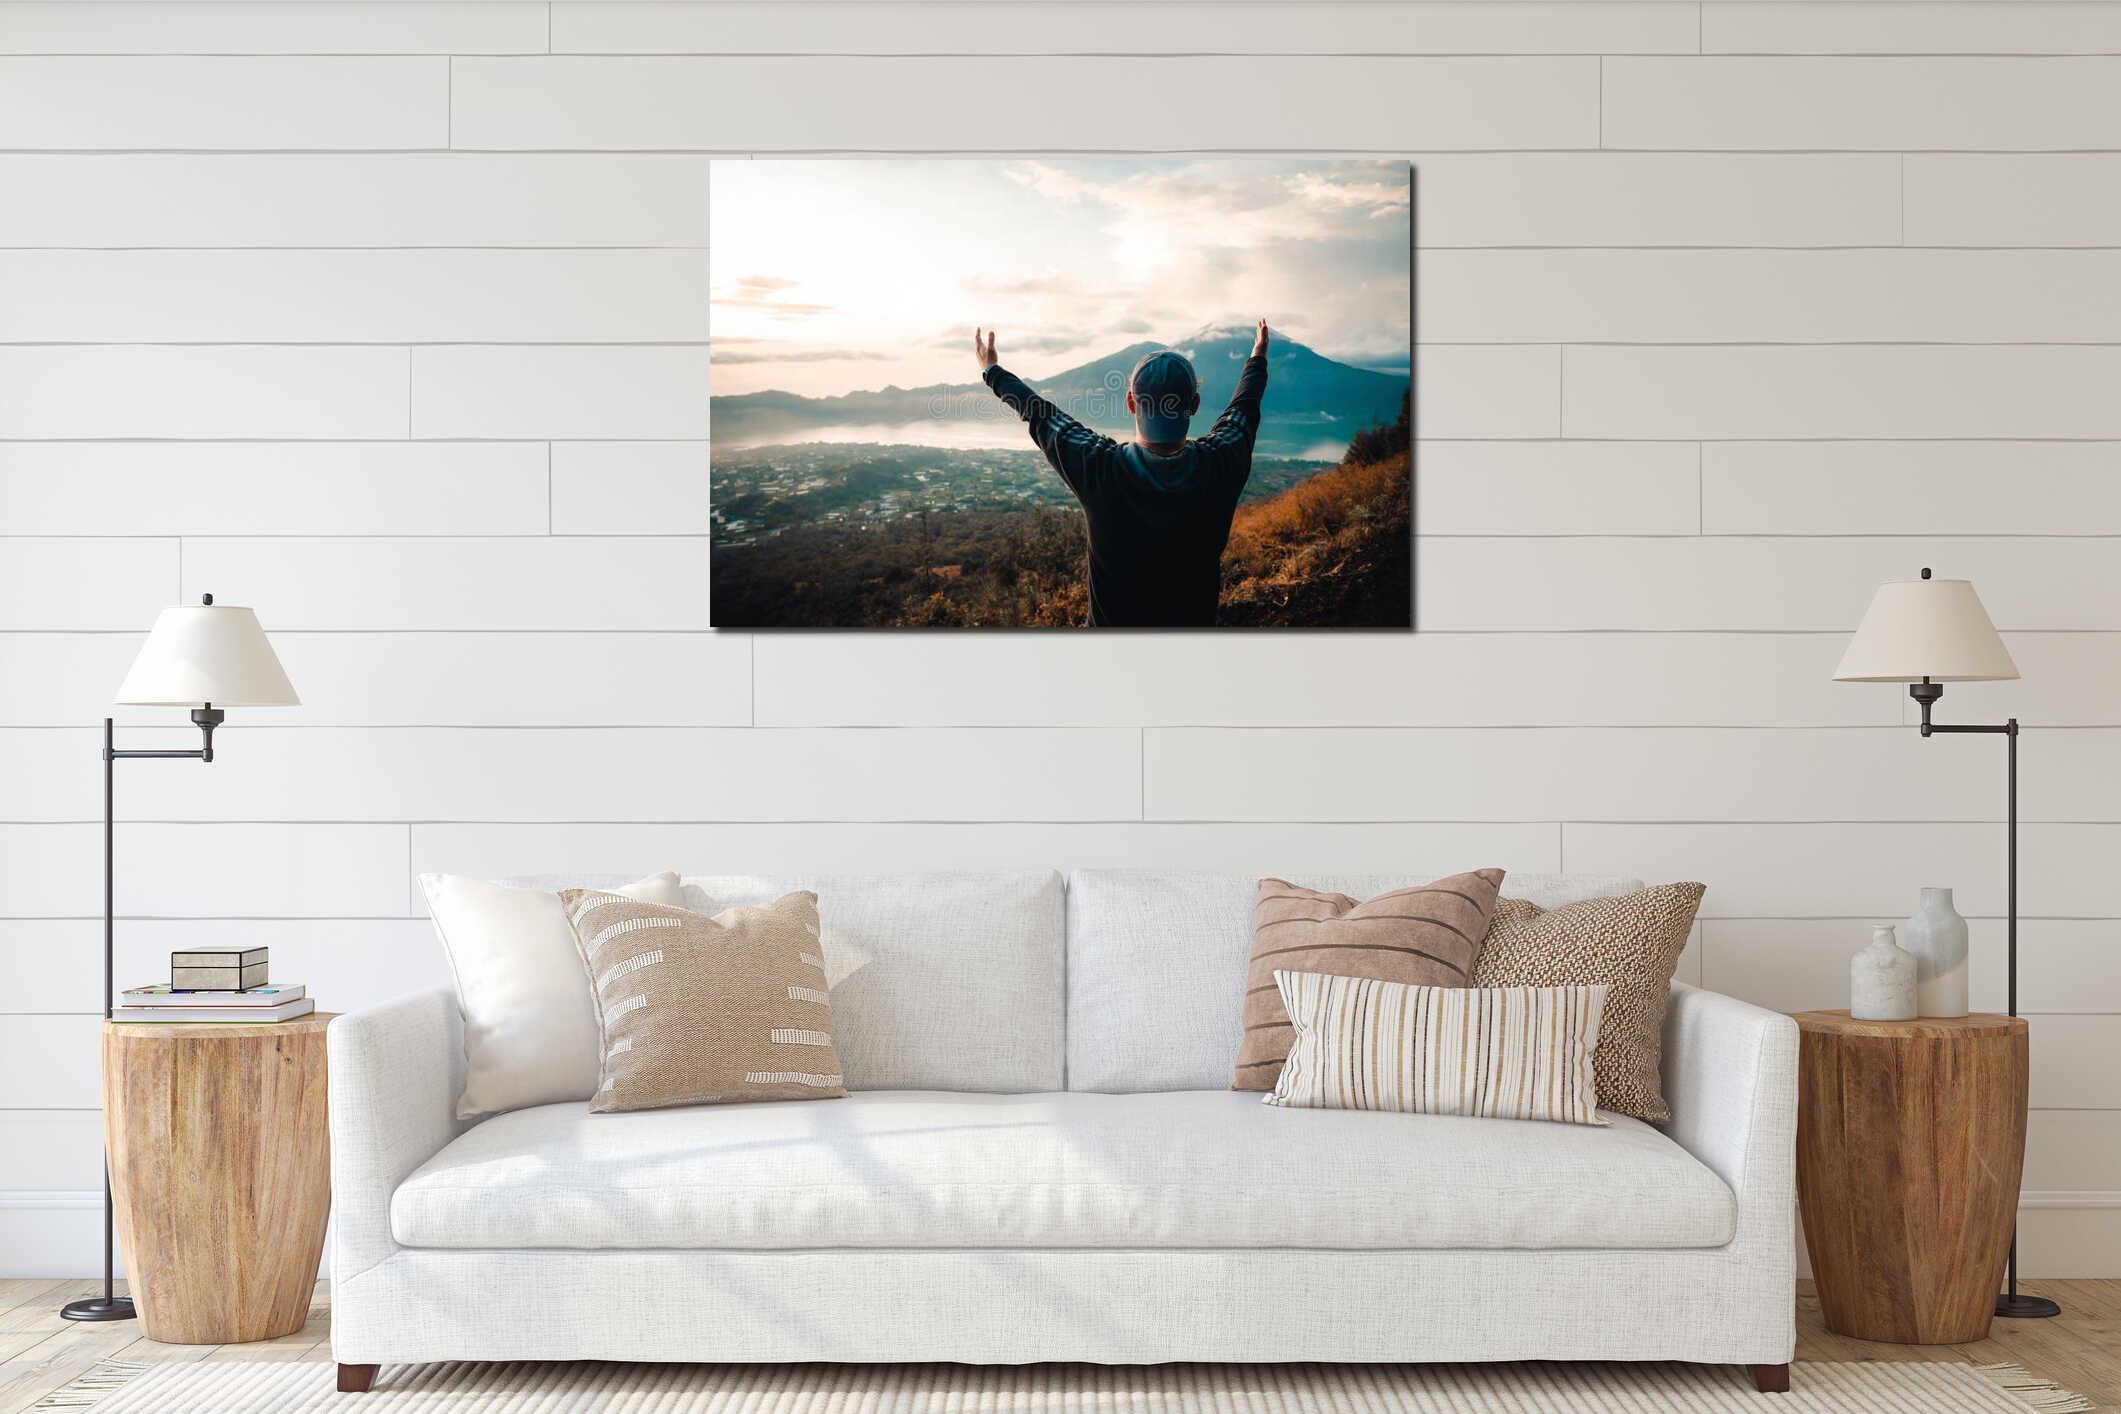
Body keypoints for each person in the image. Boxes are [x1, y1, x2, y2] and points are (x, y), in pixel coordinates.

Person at [976, 319, 1269, 628]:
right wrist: (1257, 357)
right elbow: (1245, 407)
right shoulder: (1220, 462)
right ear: (1194, 404)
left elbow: (1041, 414)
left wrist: (992, 371)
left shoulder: (1100, 467)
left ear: (1131, 403)